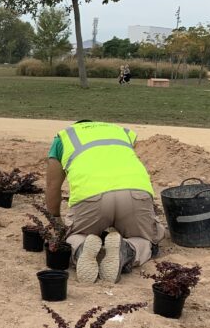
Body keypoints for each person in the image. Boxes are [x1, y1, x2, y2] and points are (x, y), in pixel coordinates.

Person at [46, 120, 165, 284]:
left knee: (74, 236)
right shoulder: (121, 133)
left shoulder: (64, 137)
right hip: (135, 193)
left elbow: (53, 185)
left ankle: (81, 247)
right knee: (146, 239)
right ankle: (127, 250)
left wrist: (55, 221)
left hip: (91, 197)